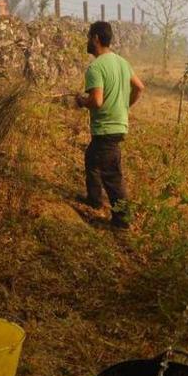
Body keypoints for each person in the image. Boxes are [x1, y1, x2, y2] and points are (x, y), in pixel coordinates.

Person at [75, 21, 146, 228]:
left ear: (96, 38)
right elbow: (139, 87)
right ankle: (94, 200)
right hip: (118, 125)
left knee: (111, 175)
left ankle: (122, 222)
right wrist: (124, 107)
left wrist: (82, 101)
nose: (87, 40)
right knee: (92, 158)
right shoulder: (121, 62)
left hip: (107, 128)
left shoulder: (95, 67)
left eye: (89, 36)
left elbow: (96, 101)